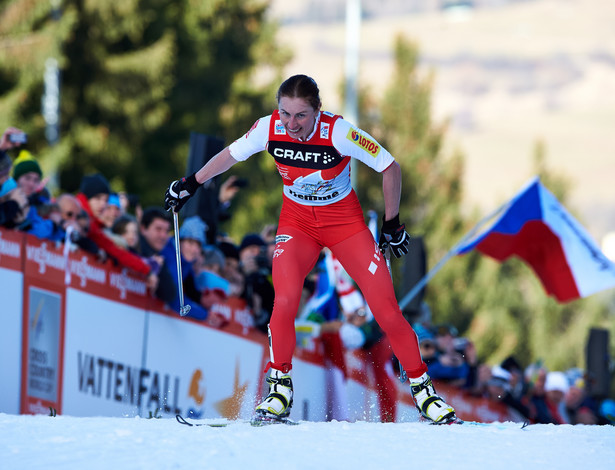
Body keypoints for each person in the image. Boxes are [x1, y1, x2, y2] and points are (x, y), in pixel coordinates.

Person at [164, 74, 457, 424]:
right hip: (297, 224)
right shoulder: (267, 128)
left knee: (386, 310)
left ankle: (424, 392)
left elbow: (389, 167)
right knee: (285, 300)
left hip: (345, 225)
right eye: (285, 113)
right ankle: (279, 389)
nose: (291, 124)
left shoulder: (338, 132)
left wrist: (392, 224)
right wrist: (191, 182)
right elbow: (229, 156)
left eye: (301, 115)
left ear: (318, 111)